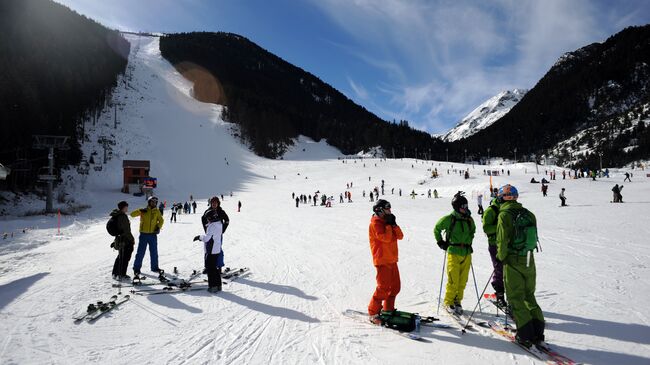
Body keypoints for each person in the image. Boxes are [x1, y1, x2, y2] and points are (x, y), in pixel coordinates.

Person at [495, 184, 544, 348]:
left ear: (502, 198)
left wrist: (500, 258)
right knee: (529, 295)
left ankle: (525, 334)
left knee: (516, 297)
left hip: (513, 259)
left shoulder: (504, 215)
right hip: (529, 258)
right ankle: (538, 330)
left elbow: (502, 240)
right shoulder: (529, 214)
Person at [434, 192, 476, 315]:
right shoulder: (449, 219)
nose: (466, 208)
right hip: (453, 252)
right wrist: (440, 242)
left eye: (466, 206)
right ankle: (448, 302)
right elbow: (437, 228)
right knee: (453, 279)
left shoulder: (469, 219)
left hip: (467, 253)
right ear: (457, 207)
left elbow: (473, 230)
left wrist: (468, 241)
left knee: (463, 280)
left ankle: (458, 301)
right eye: (463, 206)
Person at [367, 199, 404, 320]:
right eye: (387, 209)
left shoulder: (386, 221)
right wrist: (389, 225)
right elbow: (386, 238)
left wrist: (394, 224)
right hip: (382, 260)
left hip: (392, 259)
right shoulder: (376, 223)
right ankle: (373, 312)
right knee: (383, 288)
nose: (390, 211)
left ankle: (388, 308)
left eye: (390, 209)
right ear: (380, 210)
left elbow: (400, 236)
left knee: (395, 287)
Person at [194, 205, 225, 293]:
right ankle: (218, 285)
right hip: (216, 249)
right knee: (214, 268)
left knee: (210, 268)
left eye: (208, 218)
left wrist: (199, 237)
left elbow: (207, 238)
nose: (207, 220)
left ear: (211, 217)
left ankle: (212, 286)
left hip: (211, 250)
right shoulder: (219, 224)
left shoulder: (211, 226)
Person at [130, 196, 164, 276]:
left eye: (155, 202)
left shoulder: (157, 211)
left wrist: (158, 227)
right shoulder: (144, 210)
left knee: (154, 252)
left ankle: (154, 267)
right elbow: (132, 214)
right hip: (143, 235)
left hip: (152, 235)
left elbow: (161, 220)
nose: (154, 203)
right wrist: (140, 210)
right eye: (152, 202)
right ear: (149, 202)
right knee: (140, 252)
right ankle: (136, 268)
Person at [481, 195, 505, 307]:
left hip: (507, 244)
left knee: (510, 270)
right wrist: (501, 227)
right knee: (499, 269)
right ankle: (499, 295)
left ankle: (511, 296)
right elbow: (486, 228)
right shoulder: (491, 211)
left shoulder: (507, 209)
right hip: (495, 244)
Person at [201, 196, 230, 274]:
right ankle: (207, 267)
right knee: (207, 250)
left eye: (215, 202)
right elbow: (203, 219)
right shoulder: (208, 211)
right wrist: (206, 230)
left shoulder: (221, 211)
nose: (214, 204)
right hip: (210, 234)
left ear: (218, 203)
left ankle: (219, 267)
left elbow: (227, 220)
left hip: (218, 235)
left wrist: (222, 230)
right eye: (212, 203)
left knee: (218, 250)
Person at [111, 201, 135, 281]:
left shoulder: (116, 215)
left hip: (119, 239)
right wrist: (132, 240)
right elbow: (126, 231)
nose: (127, 208)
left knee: (120, 257)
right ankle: (122, 274)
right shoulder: (122, 216)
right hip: (125, 240)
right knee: (125, 257)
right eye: (126, 207)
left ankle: (115, 273)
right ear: (123, 207)